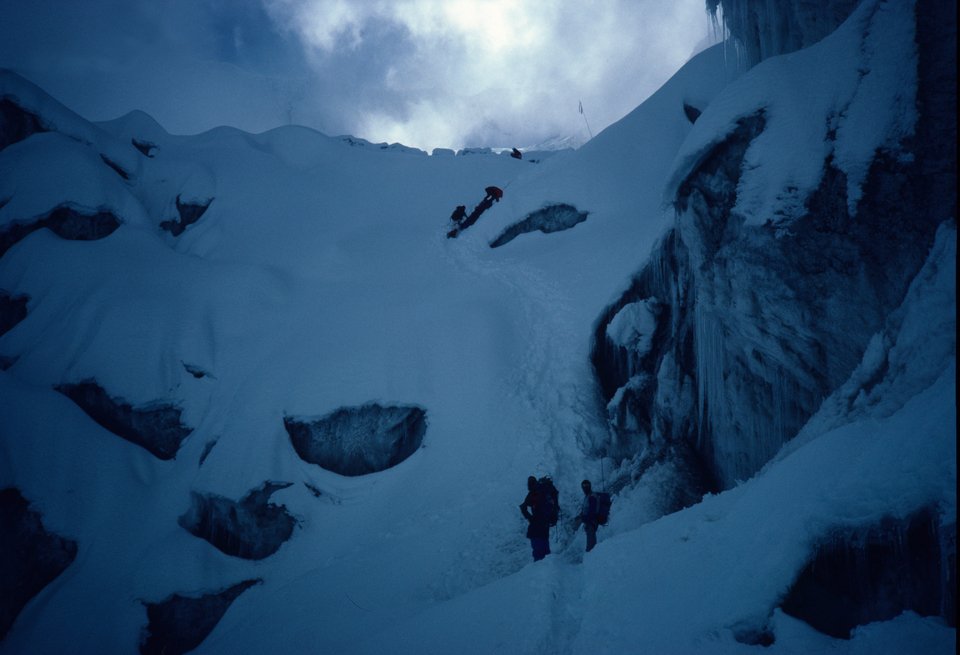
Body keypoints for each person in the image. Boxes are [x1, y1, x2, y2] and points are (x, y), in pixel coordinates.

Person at [519, 475, 550, 561]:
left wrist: (530, 518)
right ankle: (548, 569)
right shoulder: (544, 491)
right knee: (545, 550)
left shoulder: (533, 494)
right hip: (545, 524)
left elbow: (523, 507)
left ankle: (540, 570)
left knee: (538, 552)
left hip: (536, 526)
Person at [574, 479, 599, 552]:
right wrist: (580, 516)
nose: (584, 488)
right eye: (583, 487)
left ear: (589, 486)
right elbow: (585, 510)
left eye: (586, 486)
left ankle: (591, 558)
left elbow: (591, 512)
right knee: (590, 541)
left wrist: (582, 518)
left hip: (591, 522)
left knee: (591, 545)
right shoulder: (588, 497)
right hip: (589, 522)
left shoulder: (592, 497)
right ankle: (591, 557)